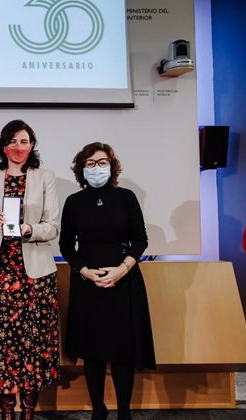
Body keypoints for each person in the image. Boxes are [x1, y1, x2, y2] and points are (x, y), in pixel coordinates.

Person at [59, 142, 156, 420]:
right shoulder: (73, 202)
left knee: (122, 352)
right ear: (81, 168)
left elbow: (141, 240)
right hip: (87, 282)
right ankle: (98, 410)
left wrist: (122, 270)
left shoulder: (126, 197)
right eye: (90, 163)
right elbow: (66, 245)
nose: (96, 168)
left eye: (102, 162)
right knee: (93, 353)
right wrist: (83, 271)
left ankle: (124, 412)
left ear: (112, 167)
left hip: (123, 279)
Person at [0, 120, 61, 420]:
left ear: (32, 145)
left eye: (24, 141)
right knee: (0, 344)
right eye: (12, 141)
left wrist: (28, 228)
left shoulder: (45, 177)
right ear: (2, 146)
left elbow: (53, 226)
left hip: (34, 275)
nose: (18, 147)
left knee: (32, 345)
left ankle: (29, 410)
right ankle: (7, 411)